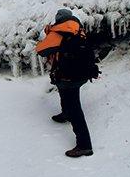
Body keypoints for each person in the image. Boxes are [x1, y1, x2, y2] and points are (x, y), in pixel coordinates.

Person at [36, 9, 93, 158]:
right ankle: (66, 114)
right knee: (66, 94)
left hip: (67, 75)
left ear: (58, 19)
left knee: (75, 109)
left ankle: (84, 145)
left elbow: (41, 50)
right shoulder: (78, 30)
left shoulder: (58, 32)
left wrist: (49, 34)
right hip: (80, 74)